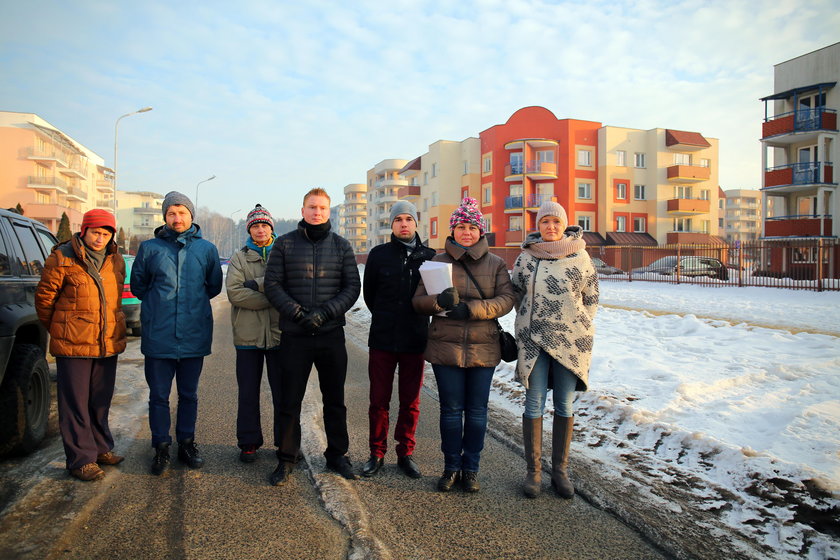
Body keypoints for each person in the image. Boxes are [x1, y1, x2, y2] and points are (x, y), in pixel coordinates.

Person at [412, 197, 515, 493]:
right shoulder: (436, 262)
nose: (466, 232)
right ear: (453, 230)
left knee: (478, 411)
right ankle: (450, 467)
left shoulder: (495, 263)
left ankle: (471, 469)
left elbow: (506, 300)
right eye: (461, 227)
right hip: (446, 347)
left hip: (484, 347)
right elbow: (417, 302)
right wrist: (437, 302)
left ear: (480, 231)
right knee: (451, 411)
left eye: (472, 227)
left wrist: (472, 310)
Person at [264, 188, 361, 486]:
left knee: (335, 400)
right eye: (311, 207)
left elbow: (351, 288)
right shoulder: (284, 245)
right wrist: (297, 314)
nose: (316, 212)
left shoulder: (342, 246)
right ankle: (287, 456)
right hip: (295, 336)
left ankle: (337, 454)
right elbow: (273, 284)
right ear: (302, 210)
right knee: (289, 400)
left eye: (321, 208)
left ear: (329, 212)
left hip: (331, 335)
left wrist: (325, 313)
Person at [510, 201, 599, 499]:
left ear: (564, 225)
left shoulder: (580, 256)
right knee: (533, 403)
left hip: (570, 342)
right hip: (534, 341)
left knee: (564, 404)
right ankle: (533, 471)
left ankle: (560, 471)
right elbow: (516, 294)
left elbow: (591, 296)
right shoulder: (526, 258)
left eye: (556, 222)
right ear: (538, 226)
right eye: (545, 221)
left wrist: (580, 323)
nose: (550, 227)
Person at [130, 191, 223, 475]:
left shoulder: (206, 249)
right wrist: (160, 308)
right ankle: (160, 446)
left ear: (191, 216)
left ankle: (186, 442)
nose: (177, 218)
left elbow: (214, 286)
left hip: (194, 334)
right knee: (158, 395)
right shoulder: (150, 249)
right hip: (159, 335)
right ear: (165, 217)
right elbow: (138, 287)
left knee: (189, 394)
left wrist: (191, 305)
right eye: (171, 213)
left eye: (182, 212)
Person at [35, 209, 127, 481]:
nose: (100, 238)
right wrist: (62, 328)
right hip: (73, 343)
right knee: (75, 402)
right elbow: (44, 300)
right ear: (84, 231)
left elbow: (115, 299)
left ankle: (100, 448)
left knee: (100, 400)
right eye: (95, 232)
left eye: (105, 233)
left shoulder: (116, 260)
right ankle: (80, 459)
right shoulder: (62, 257)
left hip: (106, 342)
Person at [361, 200, 436, 478]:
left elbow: (435, 296)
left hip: (415, 340)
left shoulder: (430, 256)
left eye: (408, 219)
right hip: (382, 339)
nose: (403, 223)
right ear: (391, 225)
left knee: (410, 401)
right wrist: (385, 317)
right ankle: (376, 453)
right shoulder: (378, 255)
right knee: (378, 400)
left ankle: (405, 452)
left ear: (416, 223)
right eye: (398, 220)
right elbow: (369, 295)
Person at [225, 204, 282, 463]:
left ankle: (286, 443)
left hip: (280, 335)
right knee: (248, 392)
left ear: (271, 228)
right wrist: (275, 296)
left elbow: (290, 283)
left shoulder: (283, 253)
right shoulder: (239, 258)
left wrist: (258, 285)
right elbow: (235, 293)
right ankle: (248, 442)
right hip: (247, 337)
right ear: (250, 229)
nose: (260, 229)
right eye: (255, 226)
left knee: (284, 393)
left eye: (264, 225)